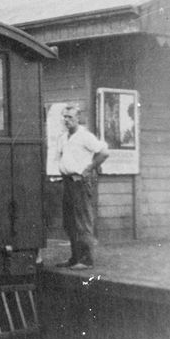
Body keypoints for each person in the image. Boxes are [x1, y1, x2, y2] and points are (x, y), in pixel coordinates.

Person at [55, 104, 109, 270]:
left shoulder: (85, 136)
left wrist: (89, 168)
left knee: (83, 221)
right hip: (67, 181)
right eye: (65, 117)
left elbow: (104, 152)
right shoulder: (63, 137)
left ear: (78, 118)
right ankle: (75, 257)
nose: (67, 120)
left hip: (80, 182)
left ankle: (87, 260)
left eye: (70, 117)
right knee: (70, 221)